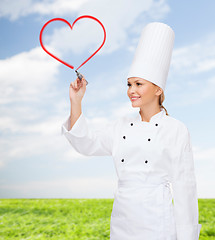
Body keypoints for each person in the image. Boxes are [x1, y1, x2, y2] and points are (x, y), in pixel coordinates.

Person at [61, 22, 202, 240]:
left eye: (138, 84)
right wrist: (76, 101)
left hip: (158, 224)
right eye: (129, 84)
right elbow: (85, 143)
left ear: (158, 89)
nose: (131, 91)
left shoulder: (176, 130)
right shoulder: (121, 126)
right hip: (122, 223)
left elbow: (185, 189)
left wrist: (187, 237)